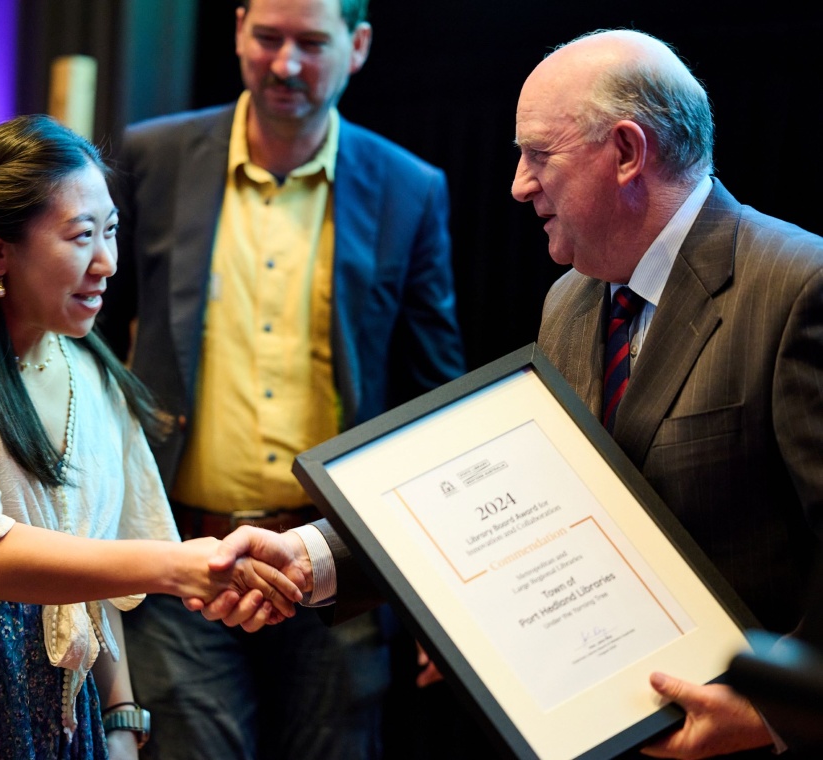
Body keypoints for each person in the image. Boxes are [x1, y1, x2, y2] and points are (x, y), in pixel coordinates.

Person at [199, 27, 823, 760]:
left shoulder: (798, 287)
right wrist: (312, 557)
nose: (519, 184)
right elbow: (526, 499)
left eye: (539, 154)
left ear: (626, 152)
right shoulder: (573, 299)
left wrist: (774, 716)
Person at [0, 115, 300, 760]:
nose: (107, 263)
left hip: (67, 706)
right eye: (82, 236)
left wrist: (120, 717)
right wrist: (180, 567)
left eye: (111, 231)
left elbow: (99, 572)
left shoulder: (91, 373)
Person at [97, 0, 465, 756]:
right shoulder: (152, 158)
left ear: (358, 45)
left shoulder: (409, 188)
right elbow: (92, 342)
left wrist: (442, 595)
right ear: (237, 32)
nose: (285, 64)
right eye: (267, 38)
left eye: (310, 43)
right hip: (183, 561)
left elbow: (437, 398)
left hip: (338, 571)